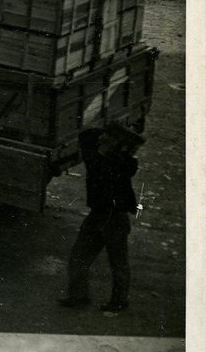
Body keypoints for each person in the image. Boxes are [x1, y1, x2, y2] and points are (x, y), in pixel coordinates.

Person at [57, 122, 145, 313]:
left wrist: (108, 129)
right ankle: (118, 301)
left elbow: (86, 136)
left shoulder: (96, 160)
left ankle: (80, 296)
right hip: (111, 217)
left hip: (103, 216)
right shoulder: (125, 163)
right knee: (117, 263)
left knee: (81, 256)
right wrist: (120, 144)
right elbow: (129, 163)